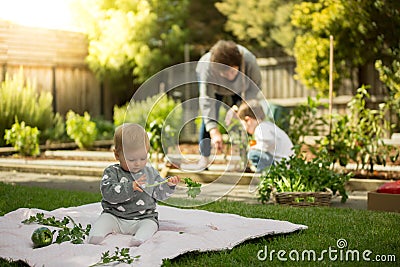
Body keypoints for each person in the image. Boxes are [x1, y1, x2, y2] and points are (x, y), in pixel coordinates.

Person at [88, 123, 180, 246]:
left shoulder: (150, 172)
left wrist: (168, 186)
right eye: (131, 159)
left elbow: (159, 193)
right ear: (117, 155)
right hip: (115, 216)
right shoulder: (112, 172)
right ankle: (95, 237)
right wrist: (129, 187)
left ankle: (139, 240)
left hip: (143, 218)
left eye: (143, 158)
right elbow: (107, 192)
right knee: (103, 221)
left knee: (150, 225)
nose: (137, 163)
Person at [184, 40, 262, 171]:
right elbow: (206, 101)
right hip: (215, 89)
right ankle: (204, 158)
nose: (230, 77)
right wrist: (214, 131)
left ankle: (244, 160)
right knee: (208, 119)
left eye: (233, 72)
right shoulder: (206, 67)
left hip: (241, 89)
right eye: (226, 74)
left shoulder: (250, 61)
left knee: (245, 118)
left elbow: (254, 91)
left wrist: (238, 108)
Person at [237, 100, 294, 173]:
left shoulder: (260, 128)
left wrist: (255, 147)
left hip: (281, 164)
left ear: (248, 120)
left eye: (243, 125)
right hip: (285, 162)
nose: (245, 129)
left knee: (253, 154)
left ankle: (265, 174)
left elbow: (268, 142)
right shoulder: (267, 125)